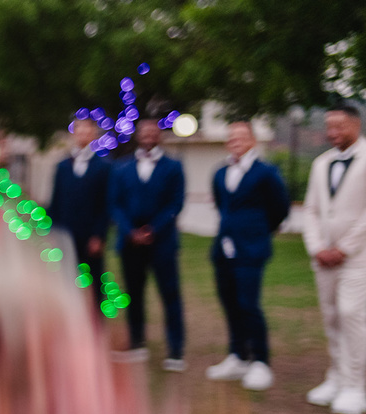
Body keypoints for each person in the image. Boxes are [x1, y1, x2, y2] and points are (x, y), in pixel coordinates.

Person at [204, 120, 291, 391]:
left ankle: (260, 362)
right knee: (229, 303)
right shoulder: (219, 172)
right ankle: (238, 356)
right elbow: (222, 205)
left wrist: (260, 231)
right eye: (230, 137)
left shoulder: (266, 172)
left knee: (248, 305)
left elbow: (281, 208)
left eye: (240, 136)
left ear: (252, 140)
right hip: (223, 249)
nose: (234, 141)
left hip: (252, 249)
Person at [302, 103, 366, 414]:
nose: (333, 133)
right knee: (331, 317)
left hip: (358, 258)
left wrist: (345, 248)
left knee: (352, 314)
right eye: (329, 126)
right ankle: (337, 376)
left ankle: (356, 385)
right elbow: (311, 210)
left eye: (339, 126)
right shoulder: (320, 163)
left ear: (356, 125)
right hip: (324, 258)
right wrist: (317, 247)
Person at [109, 117, 187, 370]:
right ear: (138, 135)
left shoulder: (174, 167)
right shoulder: (121, 168)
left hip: (162, 242)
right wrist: (130, 231)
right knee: (134, 295)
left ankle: (175, 351)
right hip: (130, 243)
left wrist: (153, 229)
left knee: (170, 295)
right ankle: (137, 343)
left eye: (153, 132)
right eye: (144, 132)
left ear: (160, 135)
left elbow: (176, 203)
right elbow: (115, 204)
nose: (148, 135)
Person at [46, 116, 111, 310]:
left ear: (93, 135)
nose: (83, 133)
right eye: (79, 130)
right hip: (66, 233)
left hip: (91, 235)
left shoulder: (104, 167)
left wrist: (99, 235)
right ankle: (70, 322)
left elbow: (106, 204)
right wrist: (54, 232)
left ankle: (96, 326)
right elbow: (55, 200)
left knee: (96, 283)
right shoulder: (62, 167)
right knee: (66, 281)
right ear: (73, 134)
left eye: (87, 130)